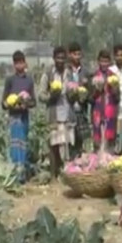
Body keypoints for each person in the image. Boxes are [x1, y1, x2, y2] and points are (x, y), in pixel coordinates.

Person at [38, 46, 75, 179]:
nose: (60, 60)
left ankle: (65, 173)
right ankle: (54, 174)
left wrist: (74, 94)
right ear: (54, 59)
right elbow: (41, 95)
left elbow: (73, 88)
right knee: (54, 144)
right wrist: (51, 96)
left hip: (67, 113)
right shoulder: (48, 73)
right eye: (58, 58)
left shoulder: (69, 72)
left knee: (67, 143)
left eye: (62, 58)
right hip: (54, 114)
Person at [1, 50, 36, 184]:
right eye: (16, 63)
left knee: (24, 143)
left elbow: (34, 102)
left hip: (24, 116)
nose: (19, 65)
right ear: (14, 64)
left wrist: (25, 104)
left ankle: (23, 173)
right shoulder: (10, 80)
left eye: (21, 62)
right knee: (15, 144)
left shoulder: (29, 80)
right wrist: (12, 106)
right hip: (14, 117)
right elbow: (3, 102)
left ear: (25, 63)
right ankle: (16, 173)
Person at [89, 50, 120, 152]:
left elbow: (117, 98)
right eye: (102, 61)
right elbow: (90, 99)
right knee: (97, 142)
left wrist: (114, 90)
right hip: (97, 112)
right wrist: (97, 91)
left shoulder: (113, 76)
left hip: (110, 112)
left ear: (110, 62)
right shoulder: (93, 76)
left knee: (109, 141)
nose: (104, 64)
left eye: (106, 61)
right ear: (98, 61)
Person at [67, 42, 90, 159]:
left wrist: (84, 94)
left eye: (79, 54)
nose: (77, 57)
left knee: (81, 140)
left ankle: (80, 167)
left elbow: (90, 91)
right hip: (69, 111)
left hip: (81, 110)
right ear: (70, 55)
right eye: (75, 54)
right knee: (70, 141)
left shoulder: (85, 71)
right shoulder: (66, 71)